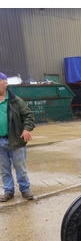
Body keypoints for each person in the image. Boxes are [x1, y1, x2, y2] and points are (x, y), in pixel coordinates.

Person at [0, 72, 36, 202]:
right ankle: (8, 191)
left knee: (20, 166)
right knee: (3, 168)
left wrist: (26, 129)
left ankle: (25, 189)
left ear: (5, 83)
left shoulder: (15, 100)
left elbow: (29, 115)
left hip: (15, 139)